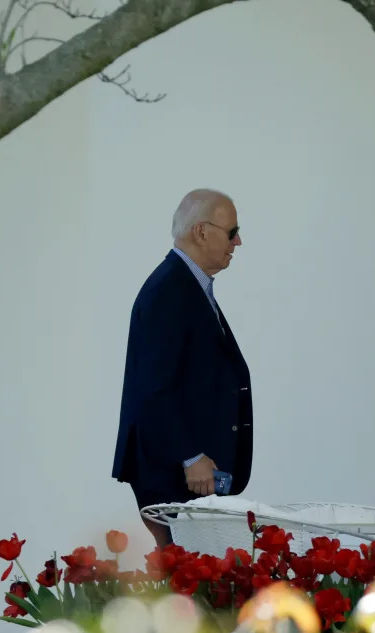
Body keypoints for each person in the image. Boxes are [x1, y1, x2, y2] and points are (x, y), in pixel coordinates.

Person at [112, 188, 253, 547]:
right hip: (174, 473)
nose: (238, 241)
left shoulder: (185, 285)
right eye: (232, 231)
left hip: (186, 474)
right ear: (201, 231)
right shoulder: (170, 291)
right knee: (188, 590)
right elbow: (154, 387)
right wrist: (190, 456)